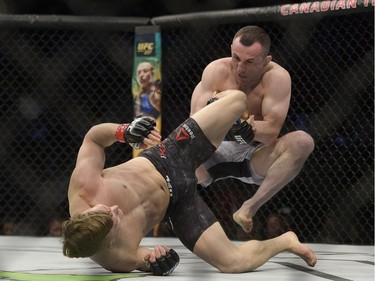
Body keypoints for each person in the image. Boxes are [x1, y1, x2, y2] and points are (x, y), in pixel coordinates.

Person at [62, 89, 317, 275]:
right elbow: (146, 259)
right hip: (178, 204)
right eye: (114, 219)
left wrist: (124, 131)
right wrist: (160, 262)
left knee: (238, 100)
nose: (115, 209)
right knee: (232, 263)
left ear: (86, 212)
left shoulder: (84, 186)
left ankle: (224, 127)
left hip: (167, 156)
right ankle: (285, 241)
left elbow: (92, 139)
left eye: (106, 208)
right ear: (108, 242)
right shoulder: (116, 257)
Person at [190, 25, 315, 233]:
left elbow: (272, 132)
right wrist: (231, 124)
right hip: (210, 152)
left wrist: (248, 128)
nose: (240, 68)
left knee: (303, 142)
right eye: (236, 58)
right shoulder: (216, 71)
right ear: (230, 49)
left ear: (266, 61)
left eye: (249, 62)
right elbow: (194, 126)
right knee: (169, 151)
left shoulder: (277, 78)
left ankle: (248, 208)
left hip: (252, 155)